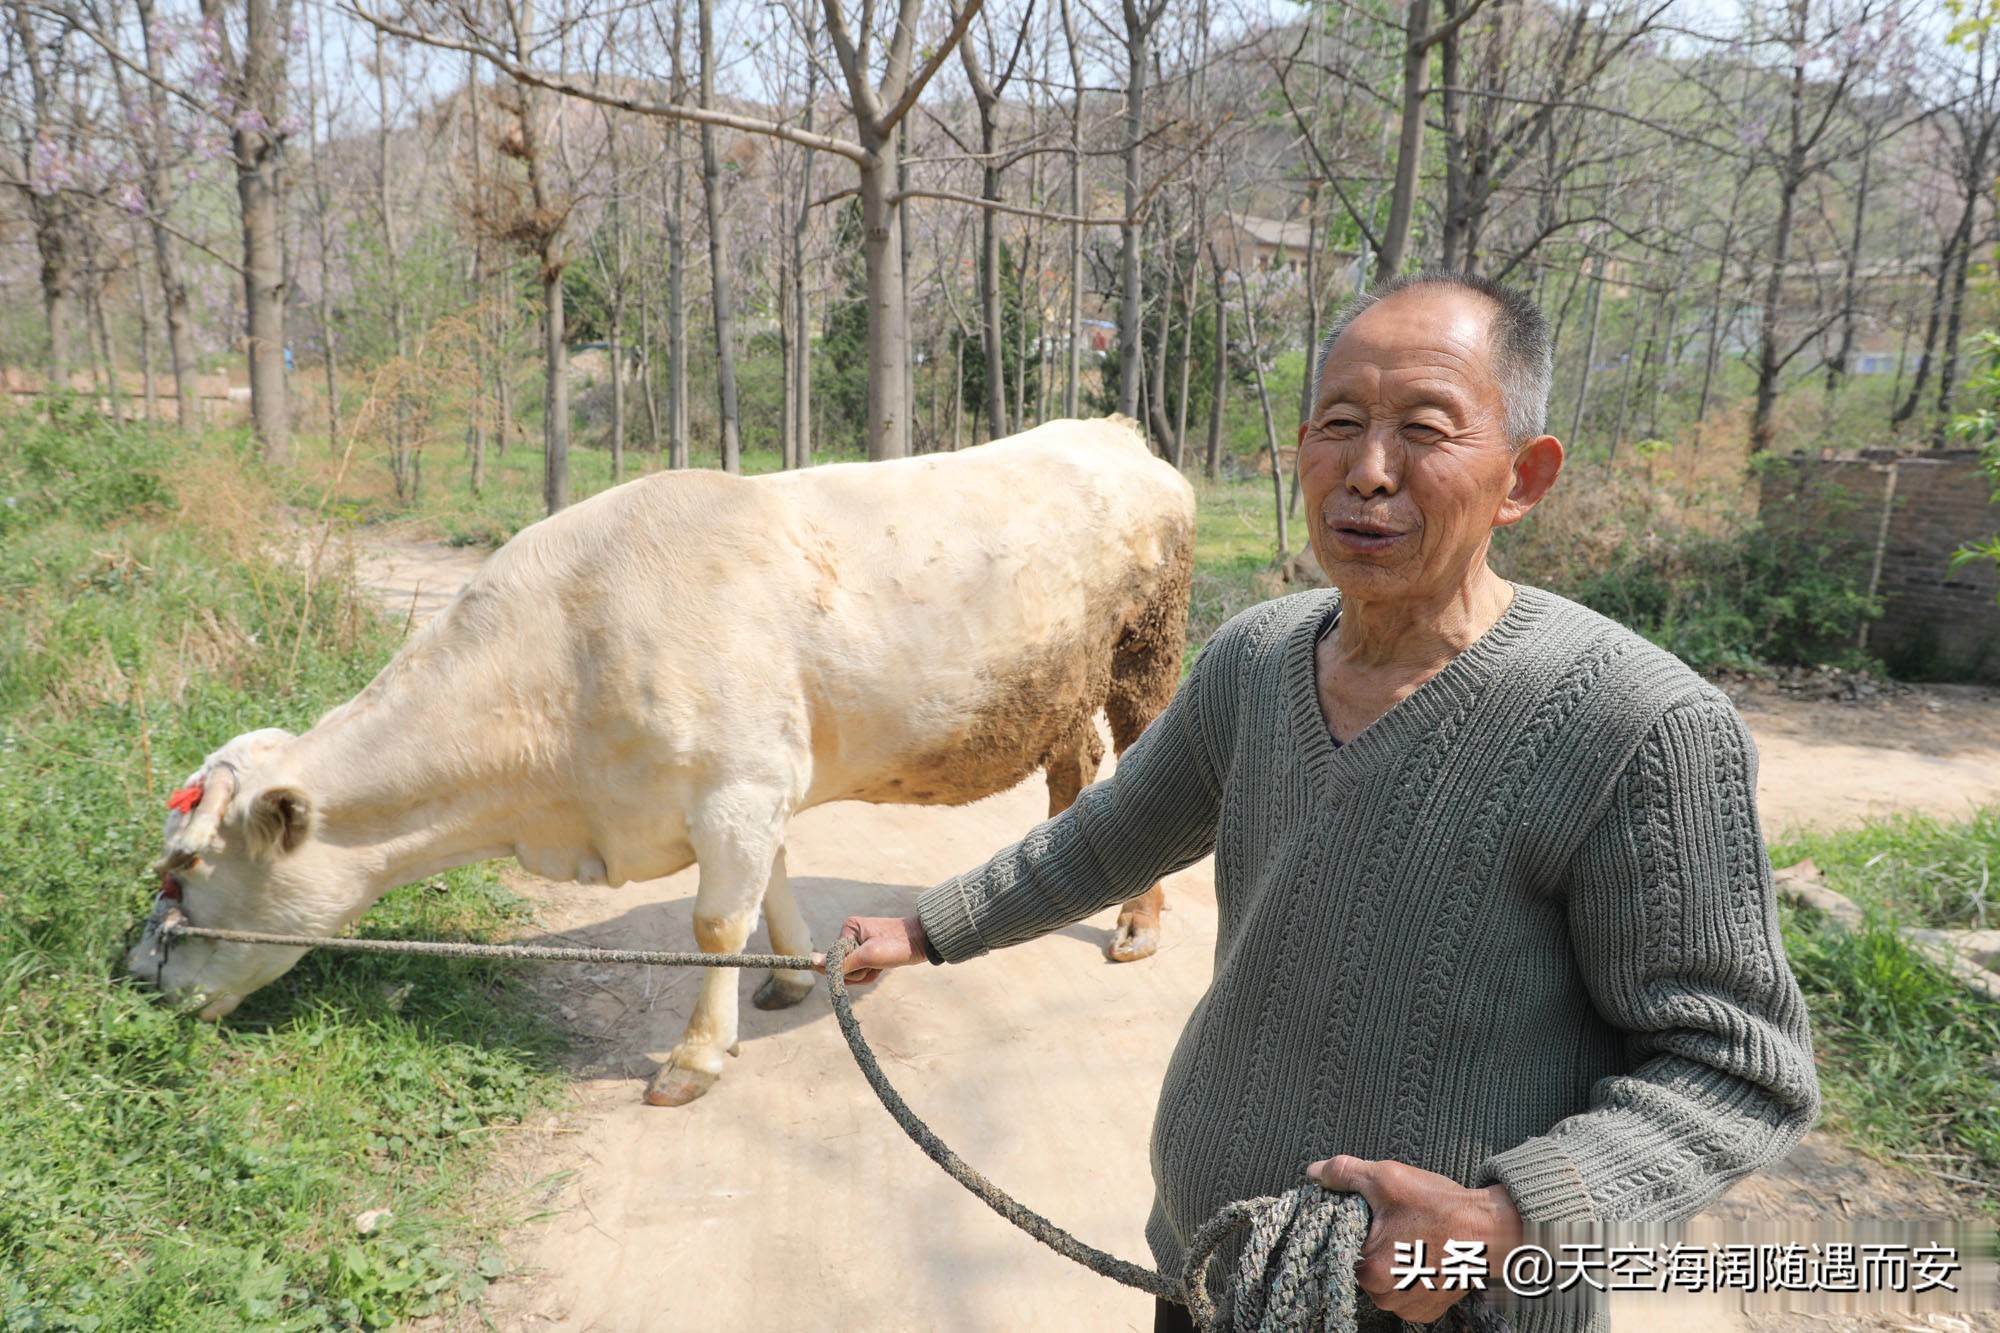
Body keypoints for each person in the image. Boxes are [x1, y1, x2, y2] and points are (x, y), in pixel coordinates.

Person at [818, 272, 1820, 1332]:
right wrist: (927, 926)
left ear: (1522, 477)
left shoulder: (1637, 724)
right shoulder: (1252, 657)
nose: (1367, 472)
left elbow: (1737, 1068)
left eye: (1424, 431)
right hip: (1210, 1276)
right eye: (1337, 426)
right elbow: (1112, 835)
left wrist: (1509, 1217)